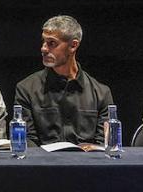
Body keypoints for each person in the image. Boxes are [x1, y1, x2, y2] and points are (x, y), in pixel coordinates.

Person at [12, 15, 114, 149]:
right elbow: (26, 140)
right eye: (43, 41)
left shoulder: (101, 92)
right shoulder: (26, 88)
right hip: (43, 166)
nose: (43, 48)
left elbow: (104, 144)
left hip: (88, 166)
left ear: (73, 45)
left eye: (52, 43)